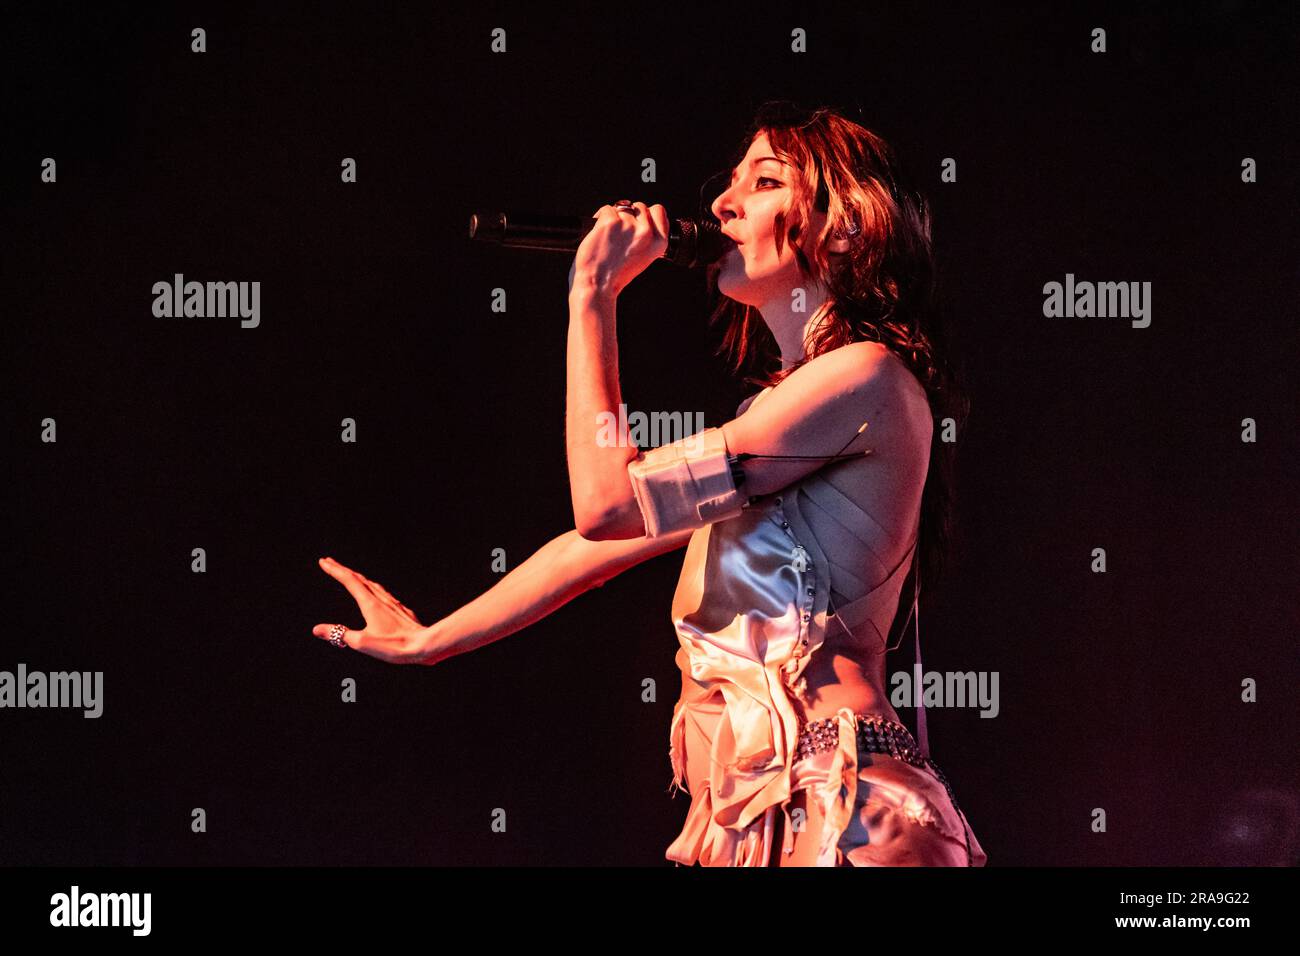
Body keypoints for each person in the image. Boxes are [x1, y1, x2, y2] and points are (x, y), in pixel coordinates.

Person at [312, 100, 987, 868]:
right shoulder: (776, 416)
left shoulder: (865, 378)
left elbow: (606, 504)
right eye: (728, 184)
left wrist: (592, 297)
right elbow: (590, 547)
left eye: (764, 182)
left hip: (850, 810)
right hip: (759, 813)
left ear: (848, 224)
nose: (723, 203)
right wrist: (431, 641)